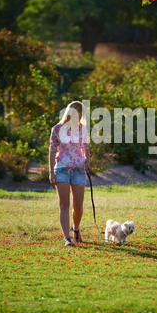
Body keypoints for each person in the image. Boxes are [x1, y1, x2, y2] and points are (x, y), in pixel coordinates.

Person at [49, 101, 90, 246]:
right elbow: (52, 149)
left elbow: (86, 146)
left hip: (79, 169)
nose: (77, 120)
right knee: (64, 204)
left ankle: (76, 229)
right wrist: (51, 171)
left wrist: (88, 161)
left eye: (79, 117)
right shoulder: (57, 129)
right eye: (75, 117)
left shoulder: (82, 129)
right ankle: (67, 238)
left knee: (78, 206)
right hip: (62, 168)